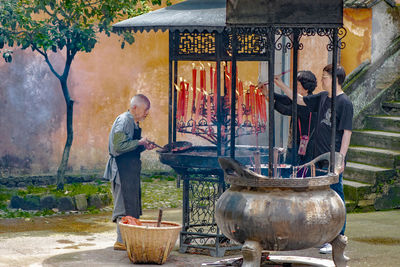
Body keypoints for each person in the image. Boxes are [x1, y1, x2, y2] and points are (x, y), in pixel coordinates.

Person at [274, 64, 353, 254]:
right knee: (321, 199)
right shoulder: (323, 97)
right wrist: (279, 84)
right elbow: (299, 100)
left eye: (325, 76)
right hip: (318, 159)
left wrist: (340, 159)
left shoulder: (345, 103)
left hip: (332, 160)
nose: (322, 79)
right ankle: (324, 236)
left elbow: (347, 133)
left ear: (334, 78)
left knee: (336, 198)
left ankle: (338, 238)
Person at [103, 94, 157, 251]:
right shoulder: (124, 120)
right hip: (121, 170)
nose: (147, 112)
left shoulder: (134, 122)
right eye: (146, 109)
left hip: (130, 169)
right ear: (135, 107)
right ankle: (121, 241)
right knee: (123, 206)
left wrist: (143, 146)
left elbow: (130, 146)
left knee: (131, 204)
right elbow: (118, 146)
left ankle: (129, 238)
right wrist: (139, 142)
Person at [261, 71, 318, 169]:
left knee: (298, 172)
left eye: (298, 85)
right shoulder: (304, 98)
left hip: (305, 147)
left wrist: (268, 97)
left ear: (306, 88)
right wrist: (268, 93)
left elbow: (285, 109)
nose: (295, 87)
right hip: (297, 143)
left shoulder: (308, 103)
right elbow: (285, 99)